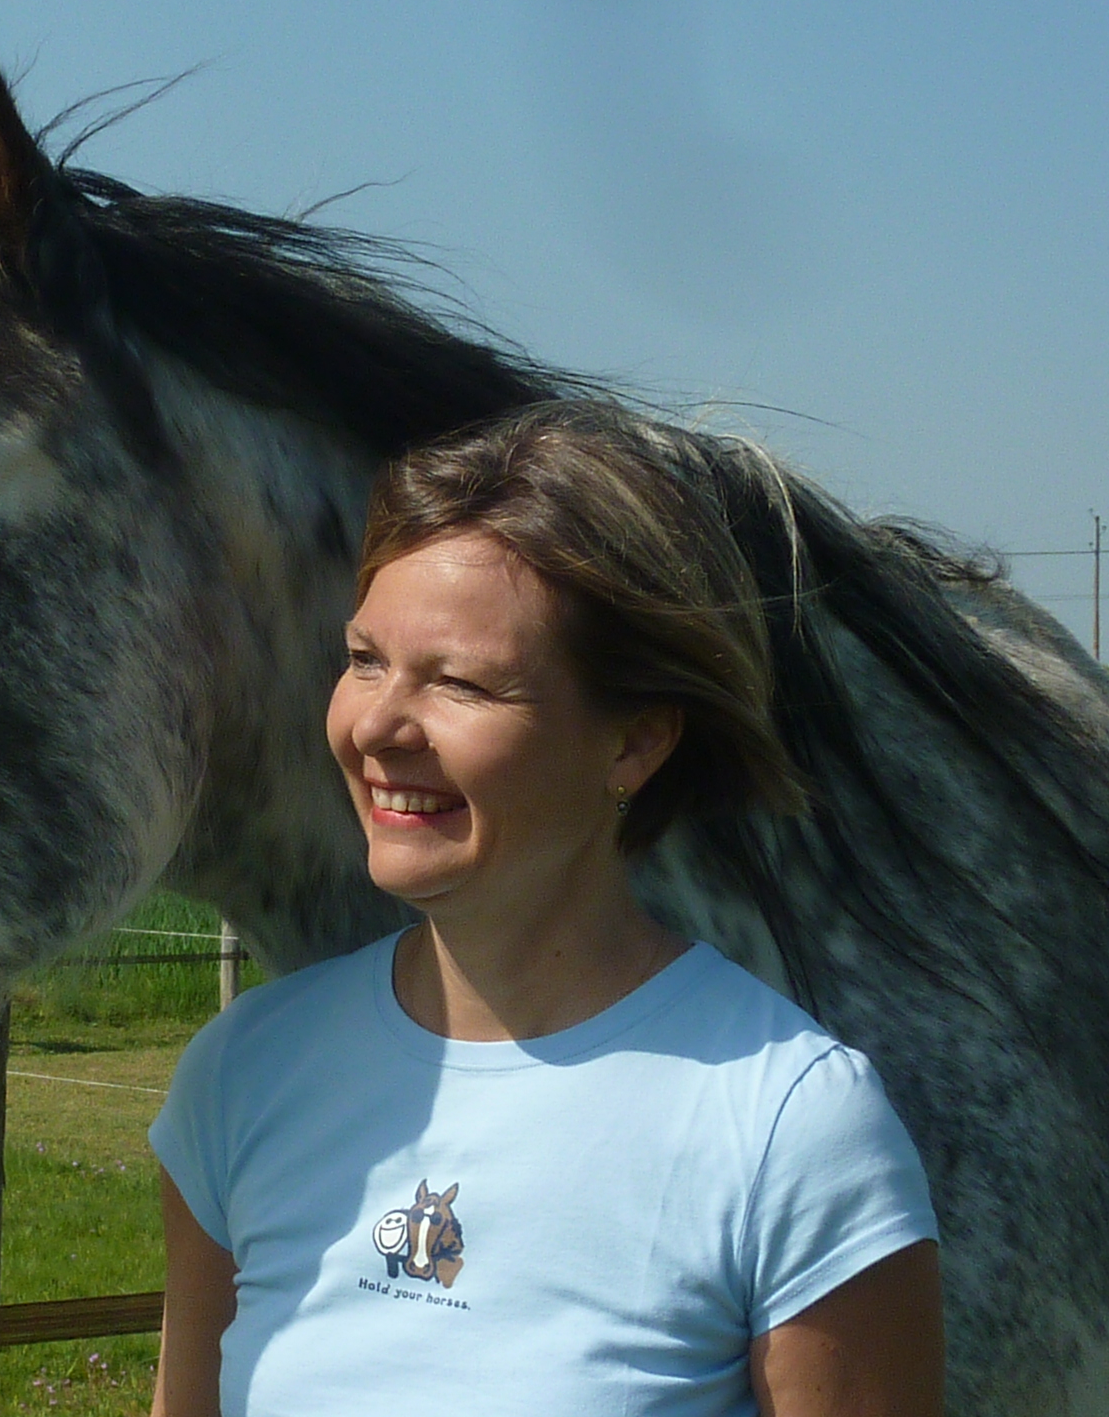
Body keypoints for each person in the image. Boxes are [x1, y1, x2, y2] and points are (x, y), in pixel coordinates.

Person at [148, 402, 943, 1417]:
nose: (376, 725)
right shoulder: (243, 1076)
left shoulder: (791, 1128)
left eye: (460, 683)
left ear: (633, 744)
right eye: (363, 659)